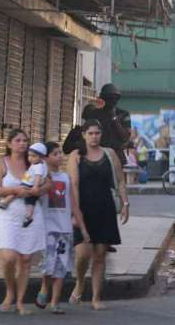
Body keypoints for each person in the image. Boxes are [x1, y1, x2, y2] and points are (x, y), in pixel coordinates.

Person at [67, 120, 129, 310]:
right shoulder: (76, 156)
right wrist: (76, 213)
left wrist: (125, 203)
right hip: (83, 210)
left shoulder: (109, 154)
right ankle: (79, 283)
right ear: (84, 135)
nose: (94, 137)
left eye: (97, 133)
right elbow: (74, 185)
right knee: (83, 254)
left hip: (105, 209)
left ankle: (95, 297)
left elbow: (119, 181)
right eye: (91, 133)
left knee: (100, 254)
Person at [0, 129, 51, 315]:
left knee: (25, 259)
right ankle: (9, 292)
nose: (22, 144)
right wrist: (15, 190)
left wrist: (36, 191)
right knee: (9, 257)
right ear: (9, 144)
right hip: (8, 215)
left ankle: (21, 302)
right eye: (18, 140)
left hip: (30, 214)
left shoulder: (34, 161)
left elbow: (48, 184)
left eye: (25, 140)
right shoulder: (2, 163)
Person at [34, 142, 90, 314]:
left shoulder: (65, 178)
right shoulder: (40, 176)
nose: (60, 156)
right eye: (55, 153)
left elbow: (74, 205)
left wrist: (83, 228)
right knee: (48, 264)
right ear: (46, 157)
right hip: (47, 228)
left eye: (60, 153)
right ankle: (44, 288)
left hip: (65, 229)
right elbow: (33, 194)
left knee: (62, 266)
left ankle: (55, 302)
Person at [0, 142, 48, 228]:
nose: (30, 158)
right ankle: (28, 216)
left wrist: (35, 186)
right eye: (29, 155)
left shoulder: (38, 166)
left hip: (29, 184)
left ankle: (5, 202)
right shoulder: (38, 164)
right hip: (31, 185)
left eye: (33, 156)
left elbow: (38, 177)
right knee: (30, 203)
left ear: (41, 157)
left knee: (16, 191)